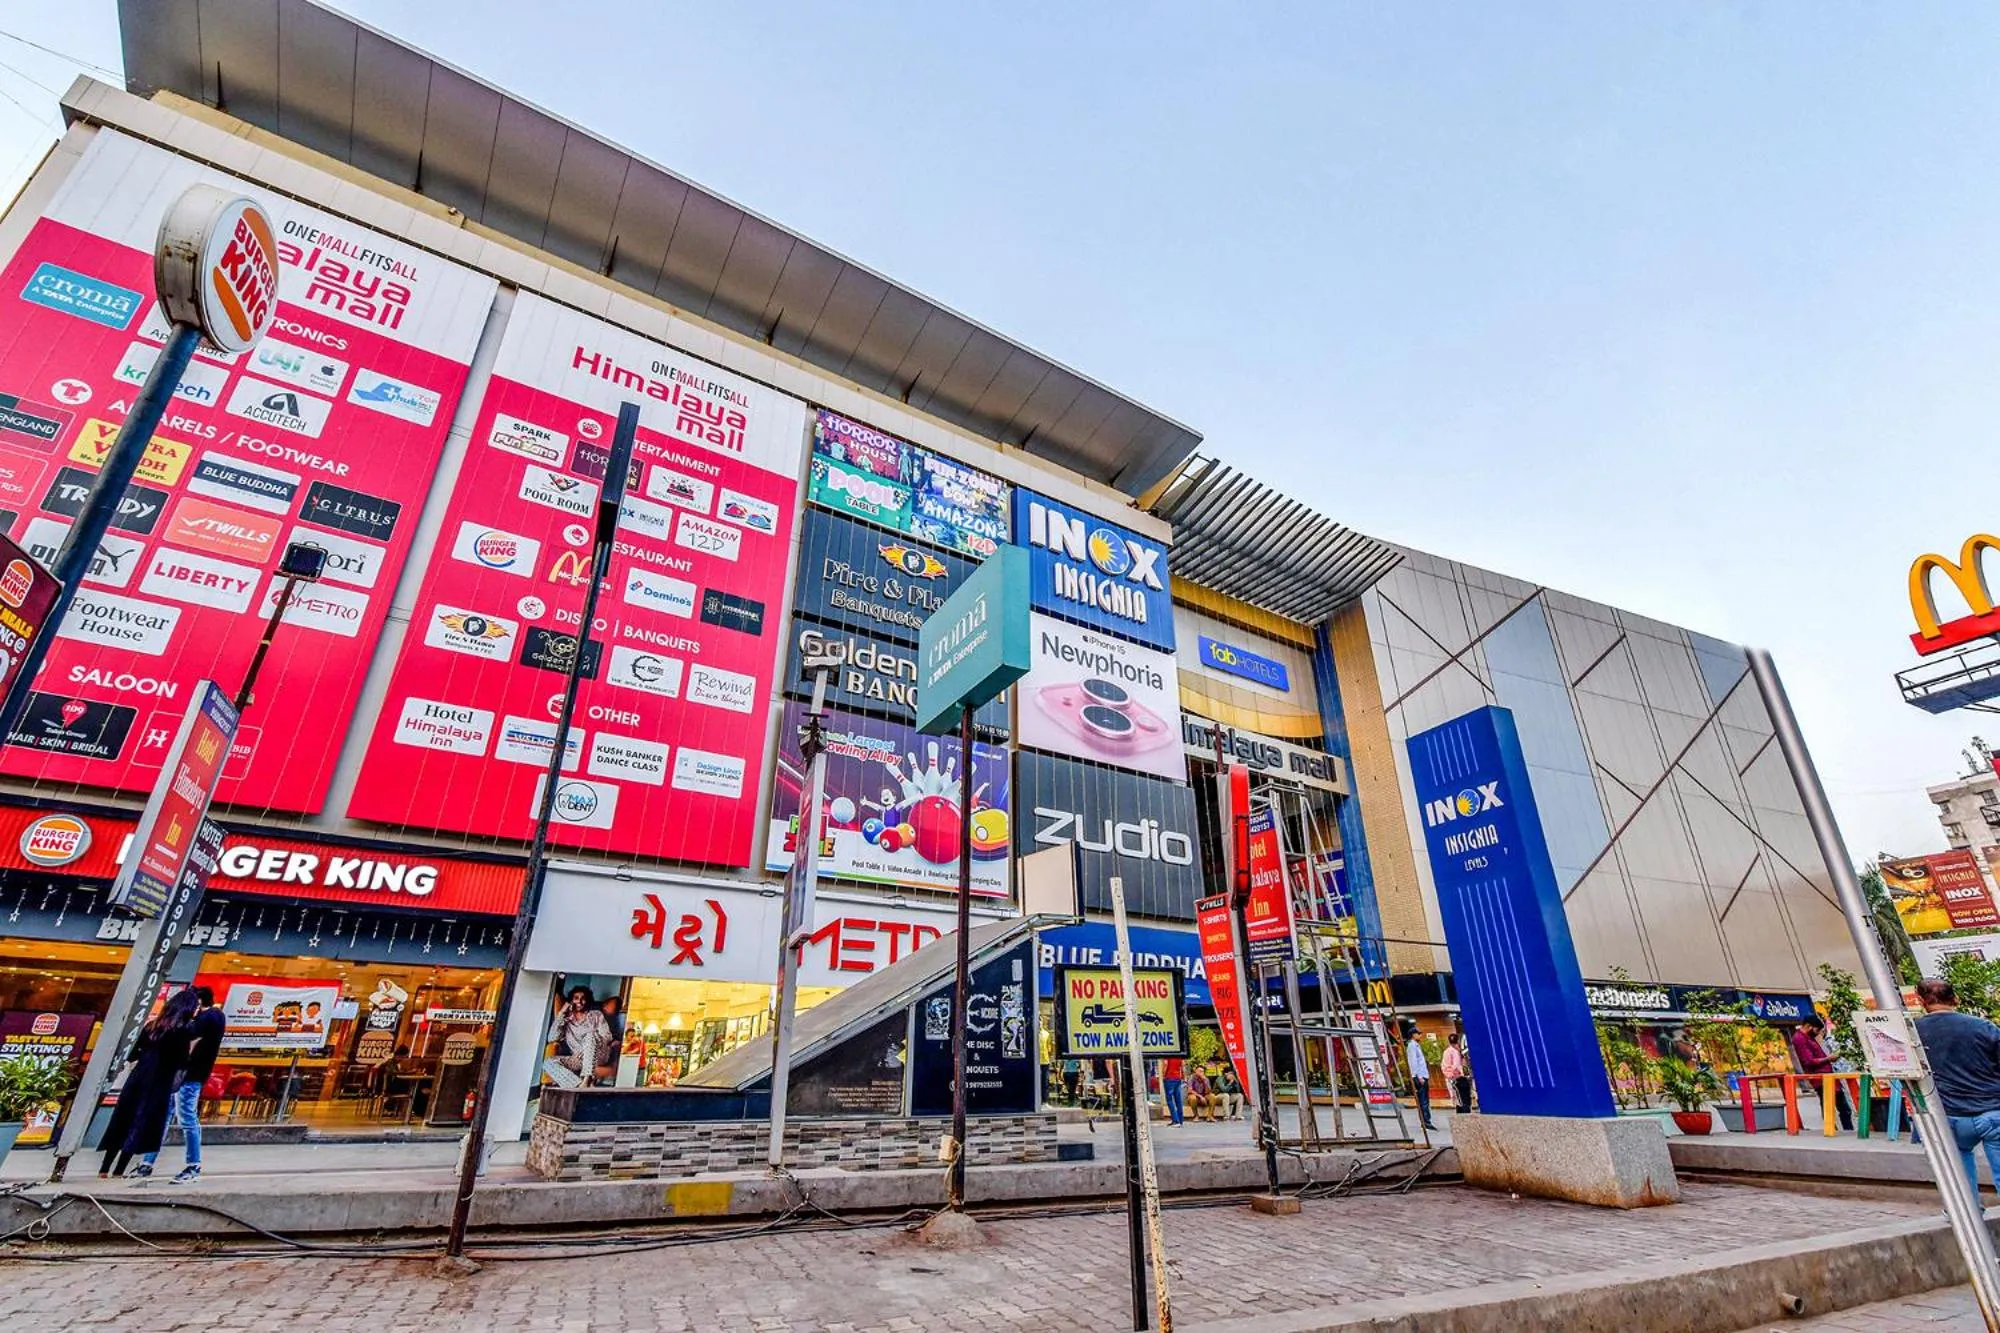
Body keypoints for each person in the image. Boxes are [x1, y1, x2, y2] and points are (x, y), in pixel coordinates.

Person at [100, 988, 200, 1180]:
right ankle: (120, 1169)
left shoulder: (152, 1026)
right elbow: (182, 1061)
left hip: (138, 1077)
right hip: (159, 1081)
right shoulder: (184, 1031)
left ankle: (104, 1168)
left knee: (123, 1120)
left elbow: (133, 1054)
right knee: (140, 1123)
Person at [1916, 979, 2000, 1198]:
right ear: (1955, 998)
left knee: (1960, 1176)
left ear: (1921, 1001)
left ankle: (1970, 1221)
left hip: (1948, 1114)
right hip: (1992, 1111)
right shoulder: (1983, 1027)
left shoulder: (1914, 1033)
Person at [139, 986, 226, 1184]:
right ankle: (147, 1162)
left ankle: (192, 1165)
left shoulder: (211, 1017)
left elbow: (189, 1037)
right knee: (165, 1117)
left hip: (190, 1074)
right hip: (181, 1074)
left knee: (186, 1117)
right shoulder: (206, 1019)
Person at [1789, 1018, 1854, 1132]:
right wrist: (1828, 1059)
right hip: (1821, 1077)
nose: (1818, 1033)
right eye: (1817, 1029)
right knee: (1831, 1106)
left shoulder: (1809, 1038)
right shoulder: (1799, 1039)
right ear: (1809, 1026)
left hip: (1828, 1075)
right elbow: (1808, 1061)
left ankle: (1846, 1130)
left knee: (1843, 1108)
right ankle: (1833, 1129)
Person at [545, 985, 612, 1088]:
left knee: (590, 1035)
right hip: (579, 1059)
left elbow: (607, 1036)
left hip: (599, 1055)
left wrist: (586, 1049)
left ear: (587, 1000)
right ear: (571, 1001)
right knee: (549, 1062)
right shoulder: (566, 1019)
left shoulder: (596, 1015)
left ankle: (587, 1079)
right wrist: (562, 1012)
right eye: (576, 998)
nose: (580, 1001)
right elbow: (552, 1038)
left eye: (583, 998)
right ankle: (578, 1085)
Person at [1404, 1023, 1435, 1130]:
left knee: (1425, 1099)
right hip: (1419, 1077)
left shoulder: (1416, 1045)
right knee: (1423, 1100)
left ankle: (1426, 1120)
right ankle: (1426, 1121)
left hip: (1422, 1075)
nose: (1420, 1035)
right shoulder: (1412, 1046)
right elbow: (1413, 1062)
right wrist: (1418, 1077)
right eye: (1418, 1033)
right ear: (1413, 1035)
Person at [1442, 1033, 1473, 1115]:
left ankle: (1460, 1117)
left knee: (1458, 1099)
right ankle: (1466, 1116)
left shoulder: (1446, 1052)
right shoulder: (1456, 1052)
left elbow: (1443, 1066)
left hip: (1451, 1079)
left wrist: (1449, 1074)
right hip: (1459, 1078)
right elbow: (1457, 1065)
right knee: (1464, 1099)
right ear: (1458, 1041)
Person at [1161, 1055, 1186, 1126]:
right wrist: (1184, 1077)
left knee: (1169, 1100)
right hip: (1178, 1079)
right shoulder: (1179, 1055)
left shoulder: (1167, 1053)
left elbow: (1165, 1064)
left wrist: (1164, 1075)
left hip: (1169, 1079)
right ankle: (1180, 1120)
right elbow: (1183, 1067)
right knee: (1178, 1100)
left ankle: (1175, 1120)